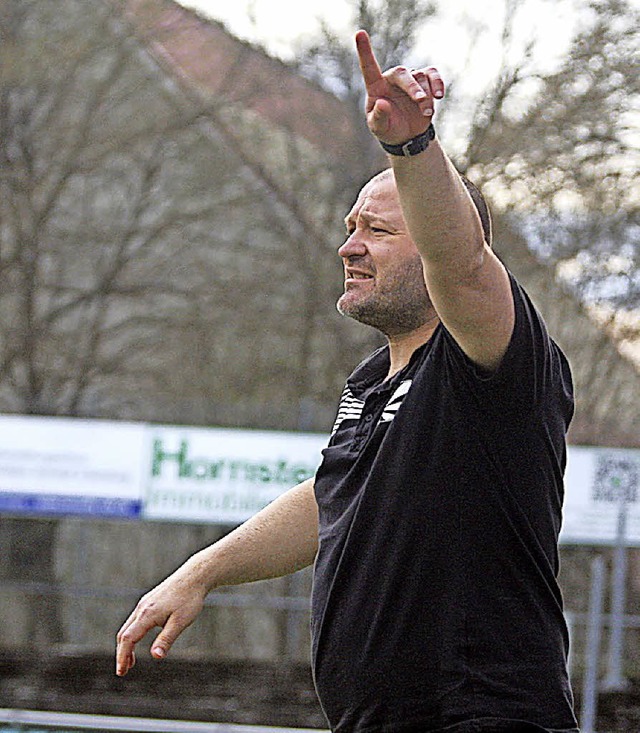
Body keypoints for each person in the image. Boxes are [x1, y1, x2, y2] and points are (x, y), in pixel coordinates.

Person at [116, 31, 579, 733]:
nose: (349, 246)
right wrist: (201, 570)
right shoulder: (368, 383)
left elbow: (461, 263)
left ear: (434, 235)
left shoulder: (493, 361)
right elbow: (332, 495)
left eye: (378, 232)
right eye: (350, 226)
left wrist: (412, 148)